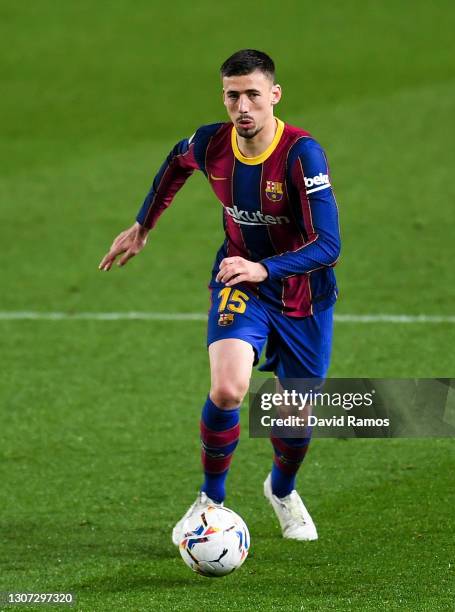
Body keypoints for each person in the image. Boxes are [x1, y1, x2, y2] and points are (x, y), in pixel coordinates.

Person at [99, 49, 341, 542]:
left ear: (274, 95)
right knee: (229, 390)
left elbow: (329, 244)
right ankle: (210, 500)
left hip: (303, 296)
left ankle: (282, 489)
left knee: (294, 419)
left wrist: (264, 267)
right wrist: (143, 225)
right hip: (238, 282)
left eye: (254, 94)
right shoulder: (212, 143)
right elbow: (175, 162)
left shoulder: (301, 154)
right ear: (224, 97)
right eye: (234, 96)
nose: (243, 106)